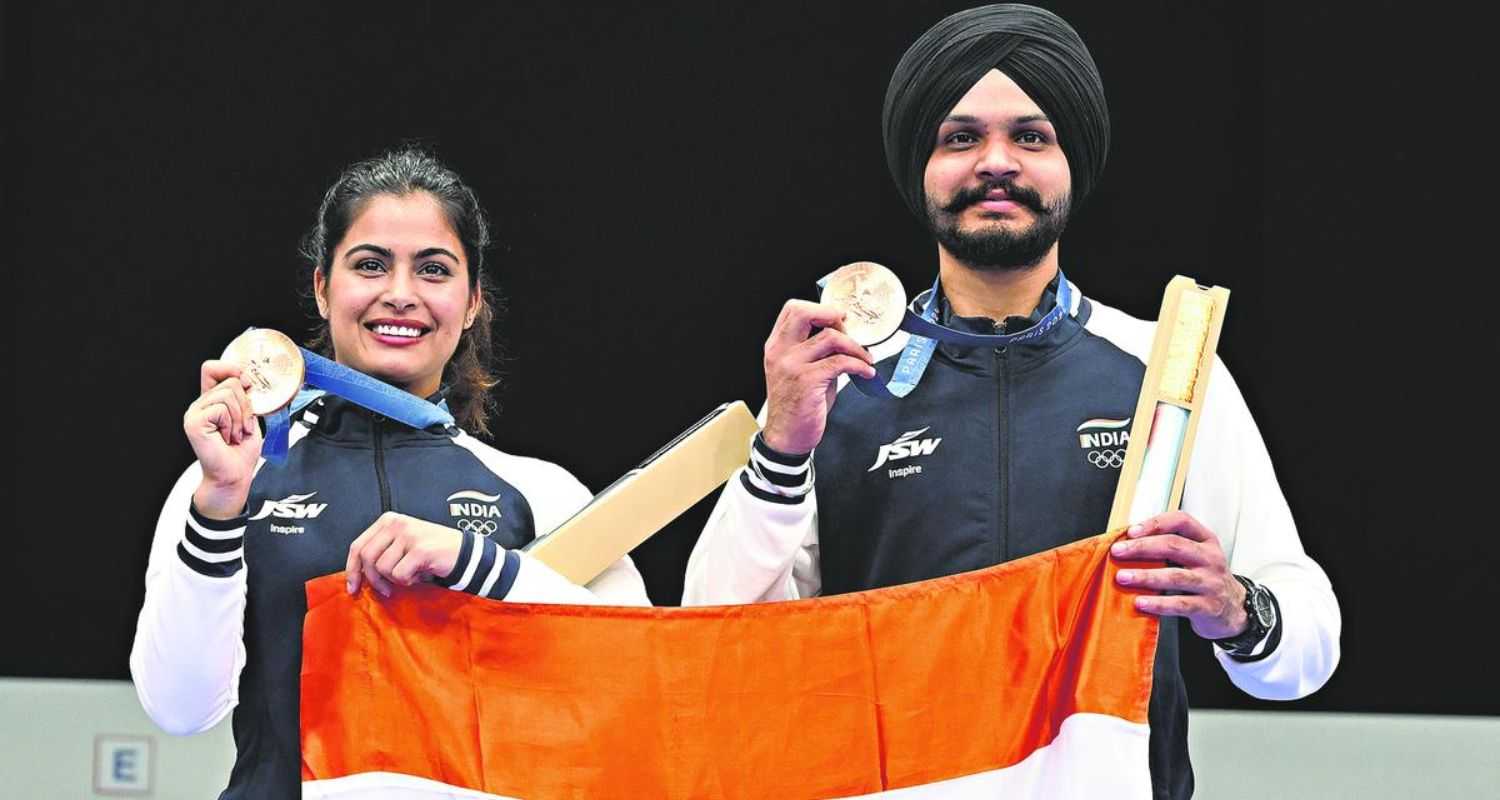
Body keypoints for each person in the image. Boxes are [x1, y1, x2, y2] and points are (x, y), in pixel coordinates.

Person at [682, 5, 1340, 797]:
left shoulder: (1167, 373)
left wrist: (1236, 608)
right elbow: (716, 643)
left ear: (1073, 164)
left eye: (1031, 137)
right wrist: (782, 442)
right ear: (920, 167)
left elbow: (1305, 652)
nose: (996, 162)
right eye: (960, 138)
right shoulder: (837, 383)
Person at [130, 147, 650, 799]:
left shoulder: (540, 492)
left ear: (470, 303)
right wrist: (219, 506)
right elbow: (180, 709)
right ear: (323, 288)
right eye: (370, 265)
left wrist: (484, 565)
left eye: (433, 270)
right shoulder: (227, 483)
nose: (400, 294)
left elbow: (636, 682)